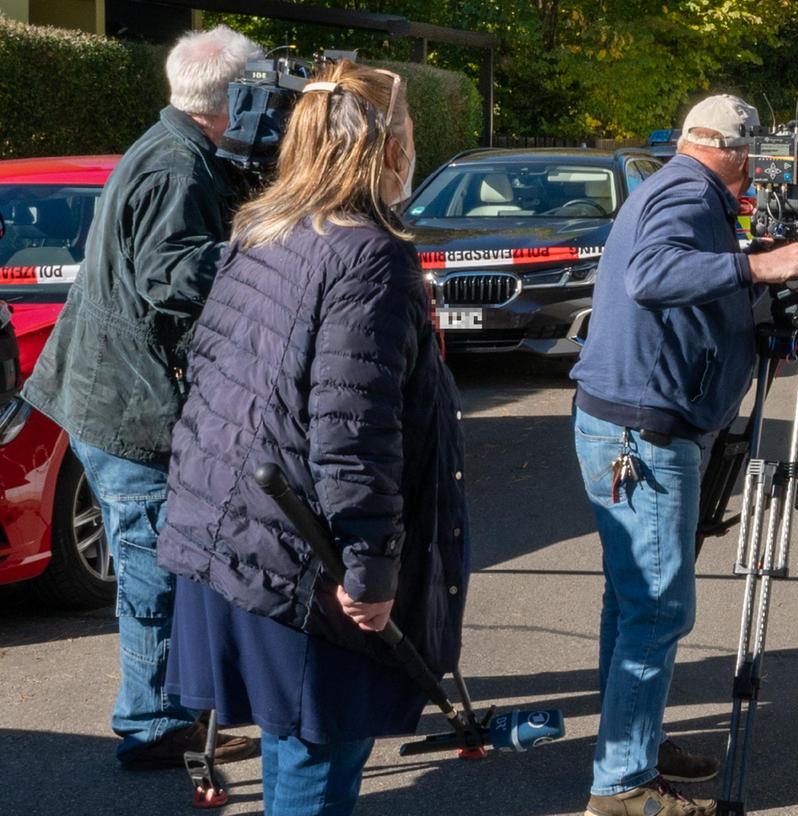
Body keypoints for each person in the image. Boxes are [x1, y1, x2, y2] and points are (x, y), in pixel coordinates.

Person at [154, 59, 468, 816]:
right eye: (411, 135)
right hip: (299, 555)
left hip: (234, 536)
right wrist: (369, 567)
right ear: (387, 146)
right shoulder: (367, 252)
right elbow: (350, 430)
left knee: (301, 751)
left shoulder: (264, 230)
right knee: (314, 762)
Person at [21, 25, 262, 770]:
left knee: (162, 557)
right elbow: (173, 275)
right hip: (122, 401)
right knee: (153, 566)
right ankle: (151, 723)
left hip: (115, 388)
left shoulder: (183, 153)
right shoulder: (172, 166)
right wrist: (271, 249)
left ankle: (171, 703)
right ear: (234, 97)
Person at [570, 94, 798, 816]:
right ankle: (620, 790)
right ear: (736, 153)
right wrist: (757, 270)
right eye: (752, 162)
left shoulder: (673, 186)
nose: (752, 177)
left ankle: (631, 745)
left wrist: (745, 283)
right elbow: (651, 276)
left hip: (629, 421)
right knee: (656, 607)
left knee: (632, 599)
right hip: (642, 432)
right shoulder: (684, 190)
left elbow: (680, 276)